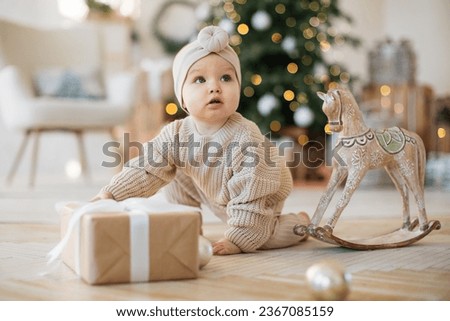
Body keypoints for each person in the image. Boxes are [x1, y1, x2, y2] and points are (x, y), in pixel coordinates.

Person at [92, 26, 309, 255]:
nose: (214, 87)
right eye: (199, 79)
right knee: (170, 167)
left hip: (260, 196)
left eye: (226, 77)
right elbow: (146, 168)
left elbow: (252, 194)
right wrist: (112, 193)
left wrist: (238, 240)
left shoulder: (246, 138)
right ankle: (187, 225)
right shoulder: (176, 133)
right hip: (211, 186)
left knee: (264, 236)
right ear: (182, 97)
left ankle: (300, 223)